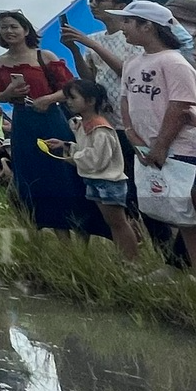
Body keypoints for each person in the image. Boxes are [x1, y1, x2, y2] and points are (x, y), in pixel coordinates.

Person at [115, 0, 196, 284]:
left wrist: (160, 144)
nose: (123, 28)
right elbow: (126, 100)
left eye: (128, 22)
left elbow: (181, 106)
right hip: (147, 148)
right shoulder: (133, 62)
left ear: (148, 26)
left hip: (181, 147)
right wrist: (132, 134)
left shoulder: (174, 61)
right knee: (181, 213)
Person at [0, 9, 104, 237]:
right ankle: (55, 234)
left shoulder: (44, 56)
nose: (9, 31)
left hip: (52, 118)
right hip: (23, 122)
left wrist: (48, 98)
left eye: (13, 26)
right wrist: (9, 92)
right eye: (4, 27)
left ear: (26, 30)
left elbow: (71, 89)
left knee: (64, 173)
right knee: (33, 176)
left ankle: (81, 232)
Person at [54, 79, 137, 260]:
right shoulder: (85, 125)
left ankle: (132, 260)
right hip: (96, 180)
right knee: (114, 223)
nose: (68, 101)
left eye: (73, 97)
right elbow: (88, 152)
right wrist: (66, 145)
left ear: (90, 101)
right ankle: (126, 259)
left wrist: (71, 157)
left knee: (118, 223)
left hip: (107, 182)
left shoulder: (100, 128)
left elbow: (97, 159)